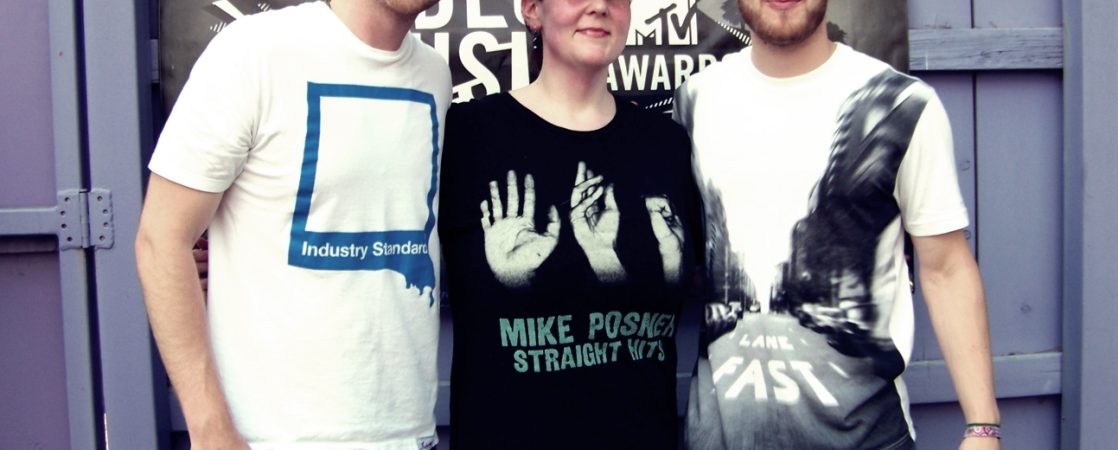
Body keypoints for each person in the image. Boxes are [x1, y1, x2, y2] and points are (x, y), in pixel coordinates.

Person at [673, 1, 1000, 449]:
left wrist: (983, 427)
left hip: (869, 437)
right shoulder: (695, 100)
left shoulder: (904, 104)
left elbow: (946, 268)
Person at [134, 0, 451, 448]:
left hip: (409, 433)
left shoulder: (433, 75)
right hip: (274, 436)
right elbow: (161, 238)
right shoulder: (256, 52)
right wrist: (209, 428)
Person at [436, 0, 701, 448]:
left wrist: (601, 255)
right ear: (533, 10)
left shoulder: (667, 144)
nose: (599, 6)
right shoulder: (466, 135)